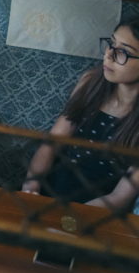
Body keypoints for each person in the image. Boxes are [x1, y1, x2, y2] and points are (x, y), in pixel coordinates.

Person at [22, 19, 139, 210]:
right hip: (53, 185)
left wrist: (74, 217)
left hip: (100, 207)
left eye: (123, 52)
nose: (109, 55)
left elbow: (121, 196)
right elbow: (53, 141)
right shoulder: (90, 82)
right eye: (111, 44)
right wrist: (31, 185)